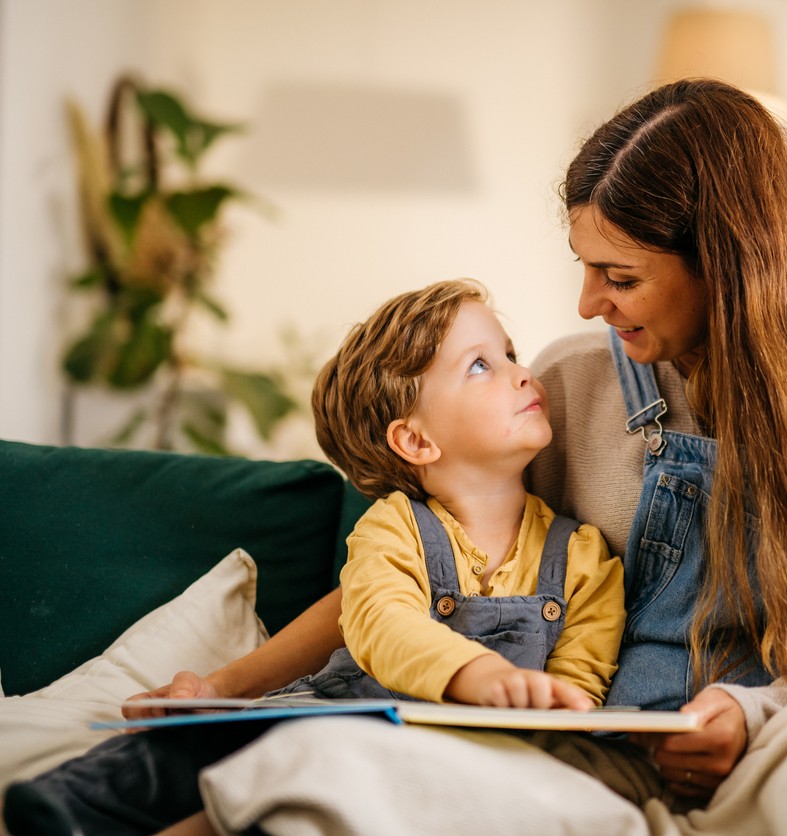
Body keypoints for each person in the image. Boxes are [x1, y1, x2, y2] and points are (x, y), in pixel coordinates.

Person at [17, 79, 787, 836]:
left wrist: (753, 716)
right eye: (584, 264)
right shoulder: (571, 382)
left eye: (622, 273)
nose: (588, 302)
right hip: (578, 772)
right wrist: (232, 686)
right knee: (312, 754)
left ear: (727, 263)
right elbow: (405, 577)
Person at [3, 279, 625, 834]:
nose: (521, 372)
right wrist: (481, 677)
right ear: (415, 439)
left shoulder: (585, 555)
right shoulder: (394, 529)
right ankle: (68, 809)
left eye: (510, 354)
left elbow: (578, 685)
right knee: (192, 748)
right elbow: (384, 626)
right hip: (335, 714)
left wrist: (548, 706)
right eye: (481, 366)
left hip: (450, 756)